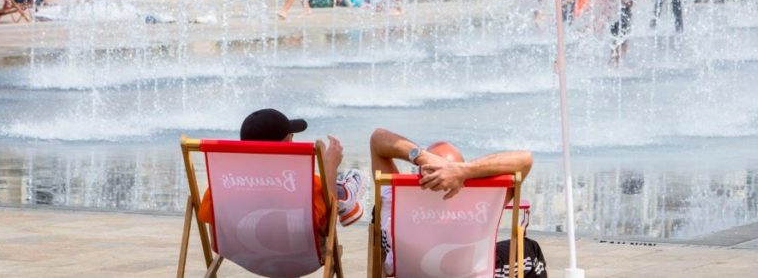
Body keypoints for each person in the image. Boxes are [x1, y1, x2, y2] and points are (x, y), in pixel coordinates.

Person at [369, 128, 533, 276]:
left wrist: (422, 156)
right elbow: (525, 160)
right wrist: (464, 170)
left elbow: (378, 139)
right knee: (530, 251)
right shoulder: (481, 203)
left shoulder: (396, 202)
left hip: (408, 273)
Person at [197, 109, 368, 234]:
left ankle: (344, 191)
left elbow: (207, 218)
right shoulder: (305, 186)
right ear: (286, 143)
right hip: (300, 256)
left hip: (238, 252)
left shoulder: (221, 187)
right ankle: (346, 193)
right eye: (291, 137)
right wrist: (330, 168)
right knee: (329, 192)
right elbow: (326, 227)